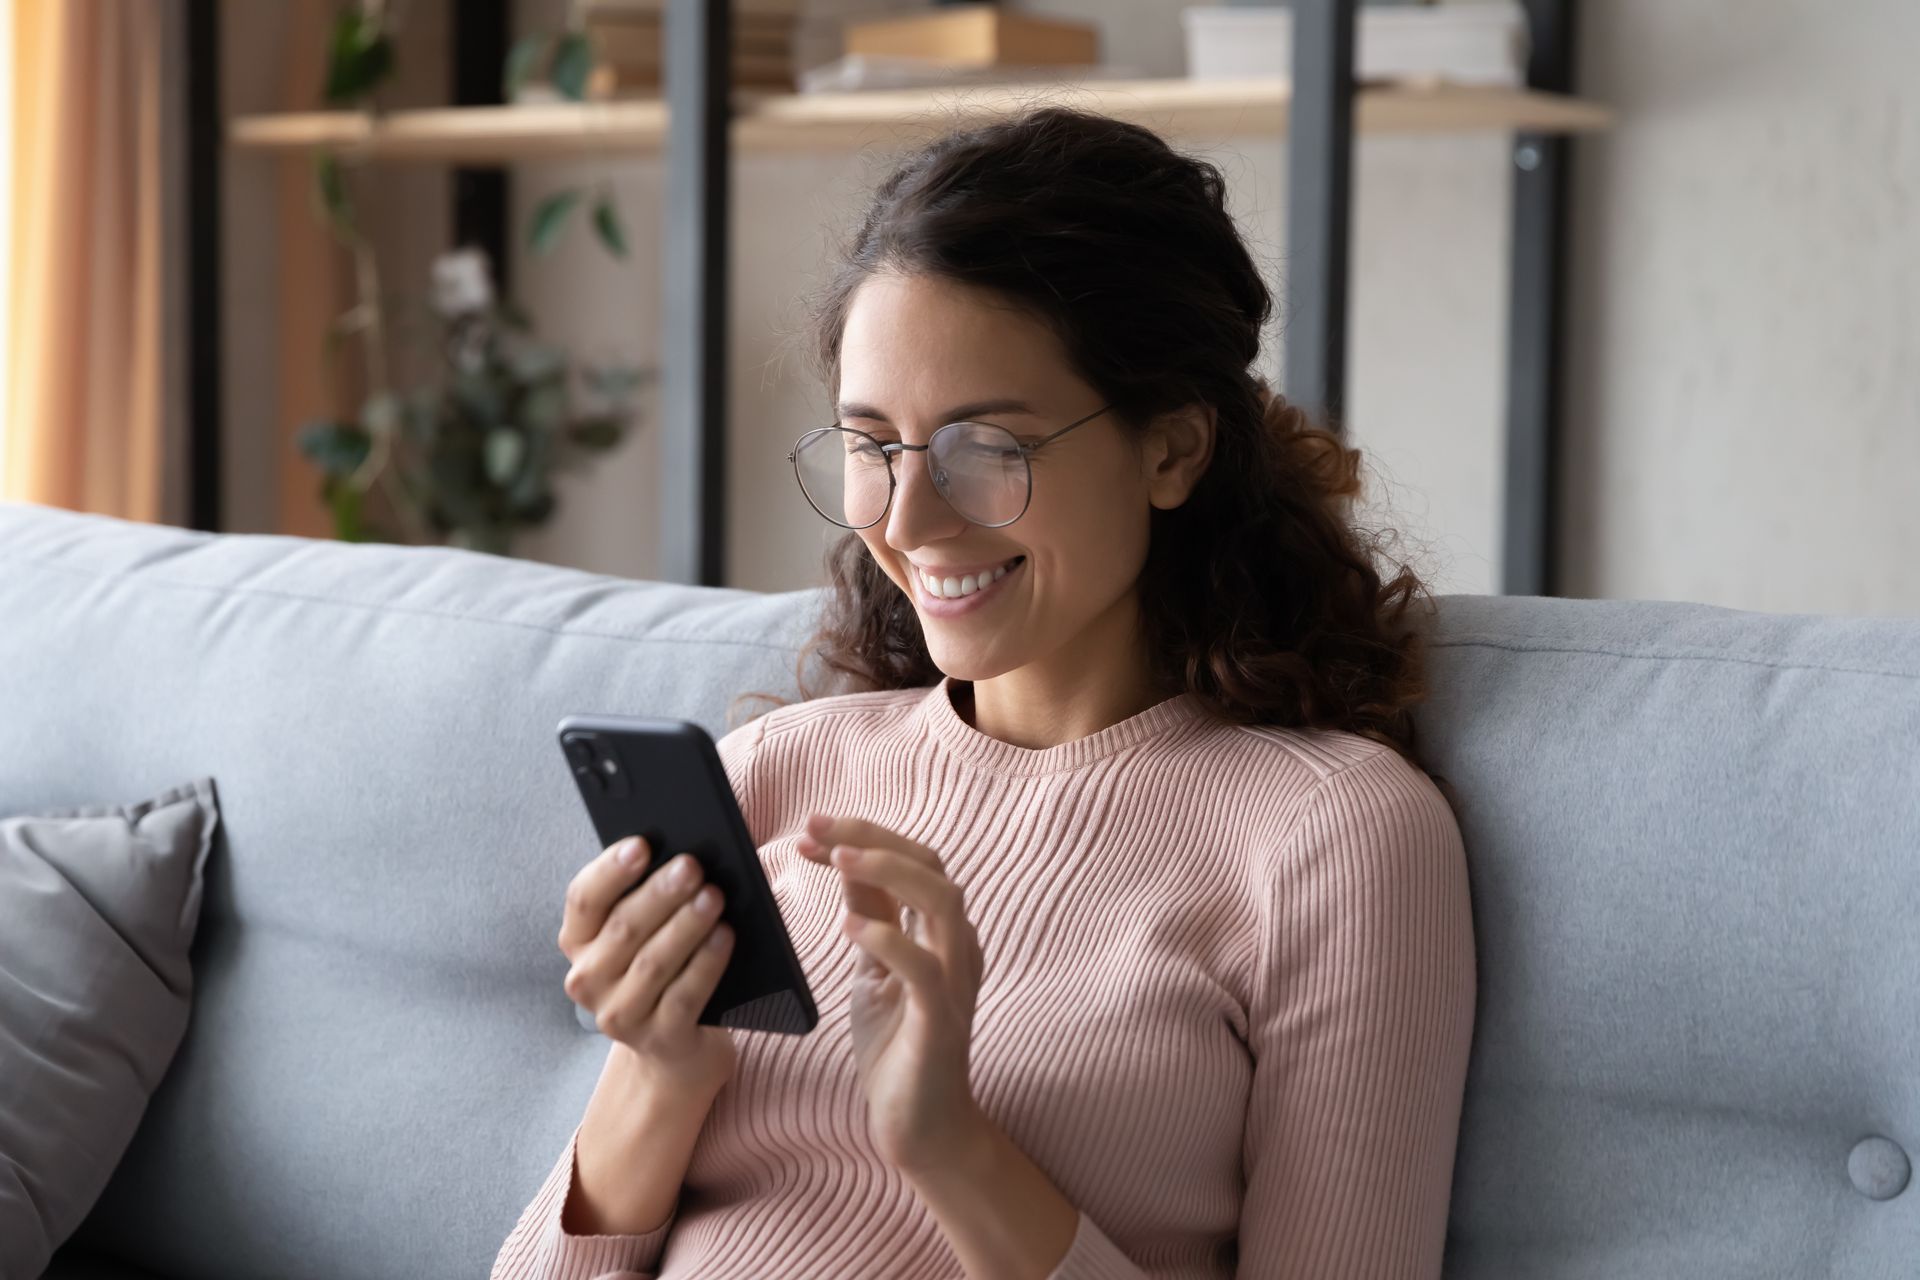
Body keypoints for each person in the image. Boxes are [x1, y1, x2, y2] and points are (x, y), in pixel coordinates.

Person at [493, 104, 1476, 1280]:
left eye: (985, 447)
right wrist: (660, 1072)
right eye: (874, 445)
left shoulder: (1331, 839)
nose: (908, 523)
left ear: (1172, 449)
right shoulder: (776, 774)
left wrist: (951, 1148)